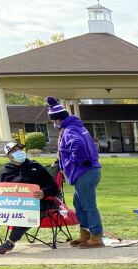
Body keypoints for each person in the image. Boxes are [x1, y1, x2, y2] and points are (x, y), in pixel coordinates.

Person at [0, 141, 58, 258]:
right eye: (13, 151)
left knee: (29, 212)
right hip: (8, 205)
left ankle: (10, 242)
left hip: (34, 204)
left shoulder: (36, 167)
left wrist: (43, 192)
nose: (18, 152)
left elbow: (53, 187)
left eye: (19, 149)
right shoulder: (4, 170)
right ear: (8, 156)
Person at [47, 97, 104, 248]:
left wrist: (76, 160)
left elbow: (77, 145)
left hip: (84, 171)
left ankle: (96, 237)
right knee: (78, 203)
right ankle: (85, 234)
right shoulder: (76, 126)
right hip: (89, 170)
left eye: (54, 121)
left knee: (88, 205)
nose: (54, 125)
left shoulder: (70, 130)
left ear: (58, 120)